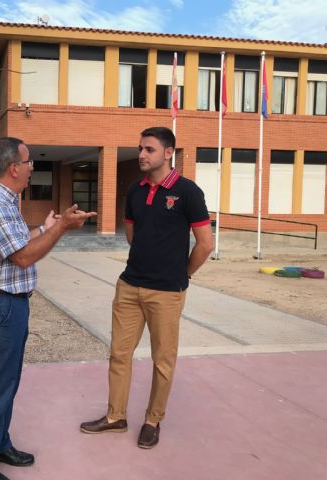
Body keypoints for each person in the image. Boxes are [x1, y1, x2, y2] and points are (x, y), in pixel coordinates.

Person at [0, 137, 96, 480]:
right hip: (0, 306)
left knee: (5, 383)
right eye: (28, 163)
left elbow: (18, 239)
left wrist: (48, 227)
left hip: (9, 305)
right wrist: (63, 229)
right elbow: (23, 256)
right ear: (13, 168)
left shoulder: (5, 199)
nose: (31, 168)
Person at [79, 127, 213, 449]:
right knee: (119, 355)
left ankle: (153, 420)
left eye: (149, 149)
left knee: (162, 360)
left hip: (166, 292)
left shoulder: (188, 192)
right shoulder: (135, 191)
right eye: (140, 148)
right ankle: (115, 417)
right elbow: (131, 235)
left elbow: (205, 244)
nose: (141, 154)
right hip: (129, 287)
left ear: (168, 153)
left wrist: (183, 275)